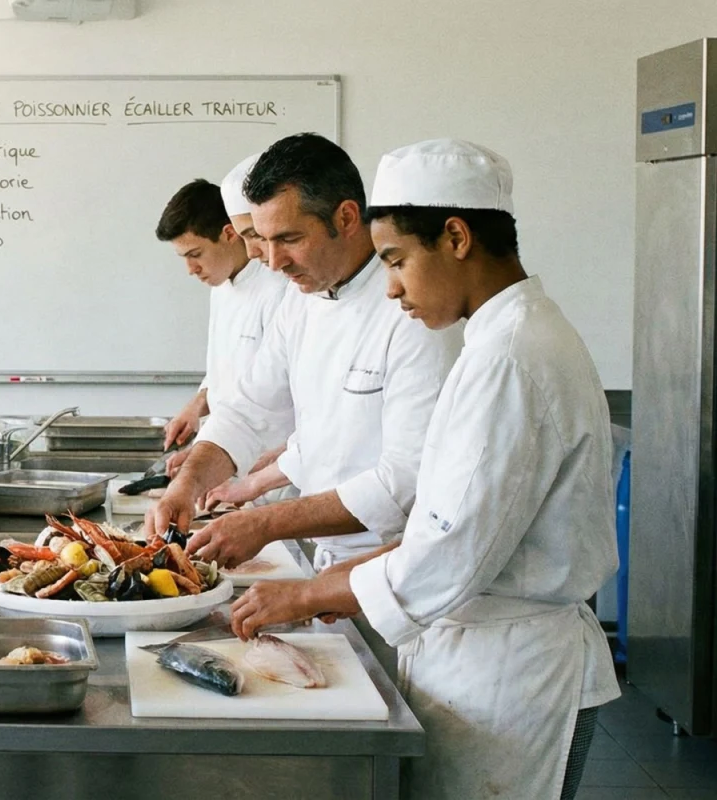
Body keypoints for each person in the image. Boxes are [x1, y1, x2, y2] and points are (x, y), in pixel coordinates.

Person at [229, 139, 619, 800]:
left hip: (509, 674)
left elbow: (448, 548)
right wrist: (334, 577)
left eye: (398, 261)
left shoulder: (513, 357)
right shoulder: (503, 337)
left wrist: (305, 594)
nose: (391, 287)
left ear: (457, 237)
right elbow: (448, 523)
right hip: (474, 655)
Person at [146, 133, 462, 574]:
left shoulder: (415, 311)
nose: (273, 263)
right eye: (263, 240)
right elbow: (246, 409)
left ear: (347, 217)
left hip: (394, 566)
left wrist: (267, 522)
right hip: (325, 554)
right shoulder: (303, 298)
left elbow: (405, 480)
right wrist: (185, 485)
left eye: (289, 238)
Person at [154, 166, 287, 484]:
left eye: (195, 254)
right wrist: (198, 403)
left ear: (229, 233)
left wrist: (207, 451)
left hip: (271, 466)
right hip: (230, 459)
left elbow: (266, 393)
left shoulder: (281, 288)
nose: (190, 269)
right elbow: (226, 368)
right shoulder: (221, 286)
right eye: (183, 257)